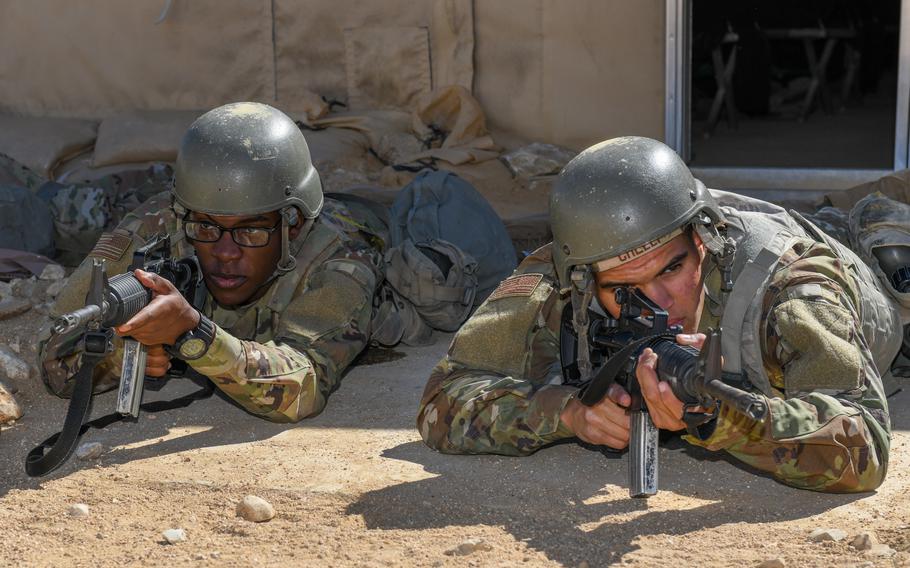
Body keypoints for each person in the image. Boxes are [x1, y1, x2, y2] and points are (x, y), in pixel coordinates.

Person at [417, 136, 902, 492]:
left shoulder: (792, 288)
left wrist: (725, 418)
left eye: (672, 268)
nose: (660, 301)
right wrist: (564, 413)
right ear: (583, 279)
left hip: (875, 291)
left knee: (890, 252)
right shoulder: (565, 274)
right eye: (625, 289)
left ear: (701, 242)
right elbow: (443, 400)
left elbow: (865, 446)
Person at [39, 102, 385, 422]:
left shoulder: (342, 257)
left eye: (250, 232)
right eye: (206, 226)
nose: (225, 253)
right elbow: (53, 358)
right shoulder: (158, 226)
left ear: (292, 224)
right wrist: (118, 354)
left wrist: (192, 332)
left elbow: (301, 388)